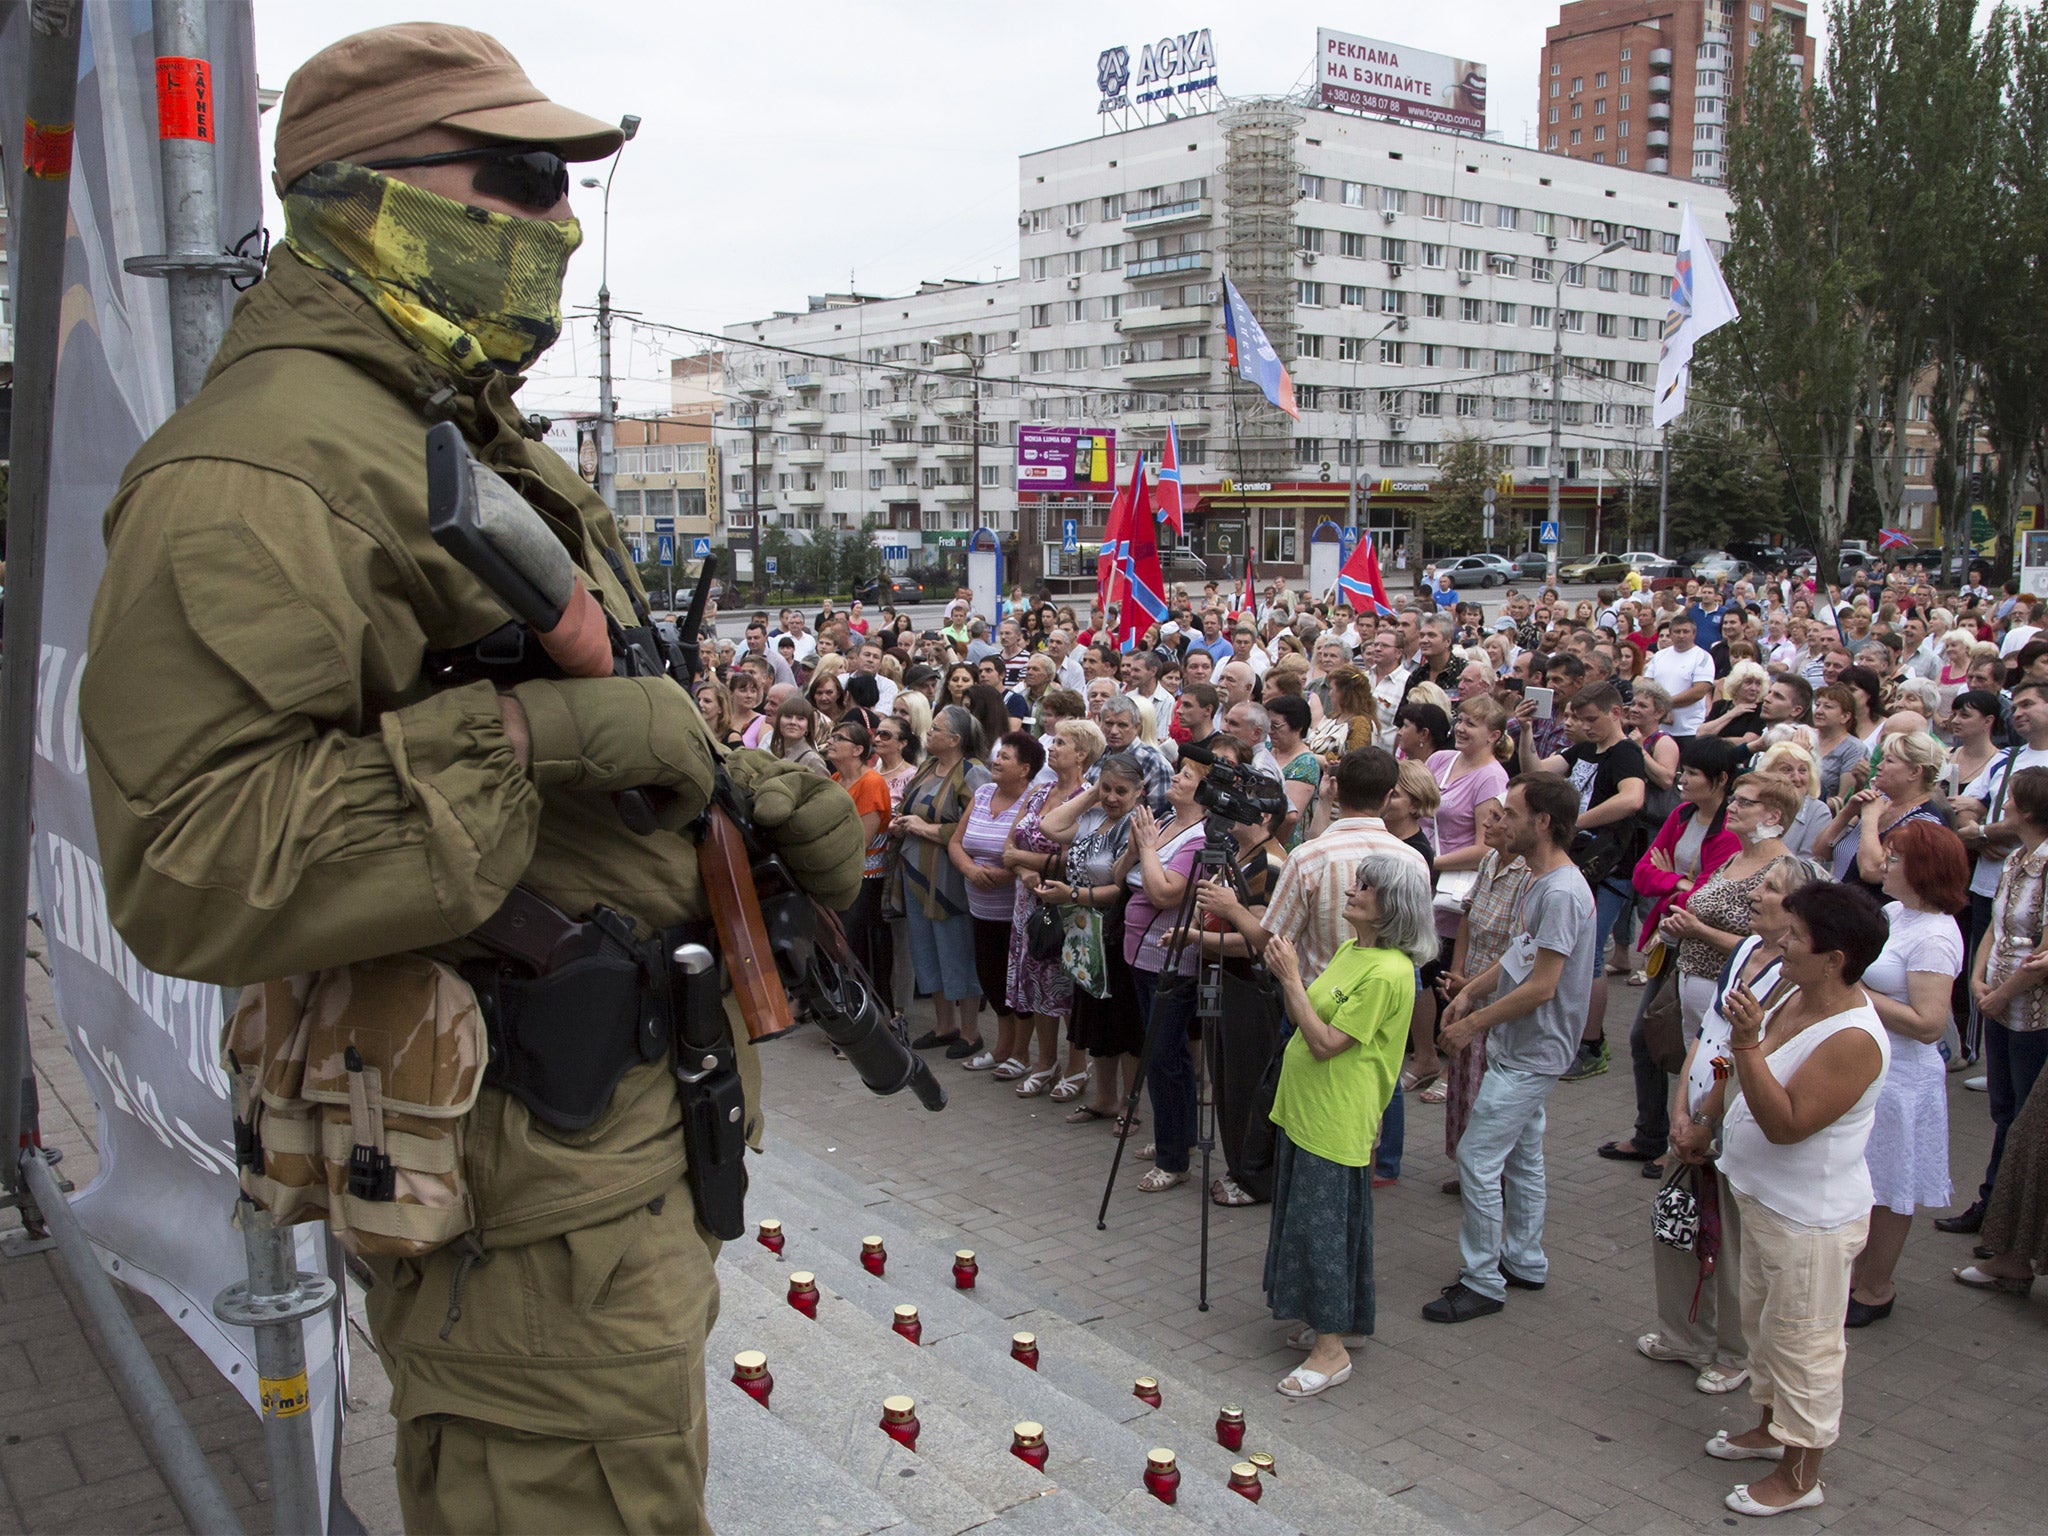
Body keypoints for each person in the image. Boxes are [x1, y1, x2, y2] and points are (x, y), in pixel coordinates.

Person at [77, 27, 867, 1528]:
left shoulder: (448, 429)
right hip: (520, 1197)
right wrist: (549, 742)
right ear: (364, 199)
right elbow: (192, 859)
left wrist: (729, 801)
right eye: (517, 178)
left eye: (566, 184)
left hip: (592, 1162)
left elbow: (572, 720)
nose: (561, 223)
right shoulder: (265, 474)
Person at [1708, 884, 1892, 1518]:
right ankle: (1769, 1430)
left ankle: (1801, 1475)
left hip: (1809, 1221)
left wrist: (1748, 1044)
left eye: (1794, 937)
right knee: (1764, 1328)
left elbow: (1788, 1123)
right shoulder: (1794, 989)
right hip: (1763, 1200)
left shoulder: (1854, 1038)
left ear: (1835, 959)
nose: (1778, 943)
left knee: (1805, 1345)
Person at [1646, 857, 1827, 1397]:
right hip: (1698, 1107)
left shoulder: (1791, 980)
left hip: (1731, 1116)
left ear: (1796, 908)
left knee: (1729, 1240)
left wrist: (1704, 1116)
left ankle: (1733, 1350)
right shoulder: (1745, 949)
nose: (1755, 893)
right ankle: (1682, 1333)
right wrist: (1680, 1107)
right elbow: (1707, 1033)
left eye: (1769, 888)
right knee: (1676, 1219)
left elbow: (1741, 1052)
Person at [1263, 855, 1439, 1398]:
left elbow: (1323, 1041)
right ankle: (1342, 1321)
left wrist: (1290, 977)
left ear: (1392, 909)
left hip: (1336, 1116)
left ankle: (1331, 1349)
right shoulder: (1352, 949)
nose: (1355, 890)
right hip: (1309, 1110)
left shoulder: (1389, 972)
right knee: (1323, 1222)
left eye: (1367, 887)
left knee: (1321, 1231)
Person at [1426, 774, 1596, 1323]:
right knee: (1522, 1155)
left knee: (1478, 1158)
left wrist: (1471, 1022)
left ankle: (1483, 1280)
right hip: (1523, 1045)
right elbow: (1525, 954)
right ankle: (1524, 1259)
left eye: (1512, 812)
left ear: (1542, 822)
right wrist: (1472, 989)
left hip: (1533, 1051)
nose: (1498, 821)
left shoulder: (1562, 891)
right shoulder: (1545, 883)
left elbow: (1543, 984)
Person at [1841, 822, 1968, 1327]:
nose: (1884, 866)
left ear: (1922, 871)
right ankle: (1855, 1274)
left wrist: (1857, 992)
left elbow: (1929, 1024)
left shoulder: (1936, 936)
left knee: (1892, 1186)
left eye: (1895, 859)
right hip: (1872, 1064)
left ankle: (1876, 1287)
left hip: (1905, 1079)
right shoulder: (1895, 913)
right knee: (1866, 1179)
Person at [1529, 684, 1647, 1083]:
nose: (1582, 726)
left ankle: (1592, 1044)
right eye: (1578, 719)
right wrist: (1527, 728)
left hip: (1609, 868)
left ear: (1616, 713)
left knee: (1592, 955)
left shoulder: (1626, 753)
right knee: (1578, 952)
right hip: (1580, 863)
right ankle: (1569, 1036)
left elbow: (1632, 799)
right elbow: (1538, 772)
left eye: (1591, 719)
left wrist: (1577, 821)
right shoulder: (1584, 750)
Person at [1950, 766, 2048, 1235]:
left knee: (2024, 1115)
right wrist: (1977, 978)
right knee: (2003, 1108)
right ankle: (1992, 1205)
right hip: (1998, 1000)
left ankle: (2006, 1219)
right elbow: (1997, 926)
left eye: (2010, 801)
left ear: (2028, 811)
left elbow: (2044, 954)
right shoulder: (2016, 859)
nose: (2002, 807)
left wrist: (1998, 996)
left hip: (2032, 1011)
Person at [1003, 719, 1103, 1109]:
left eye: (1061, 742)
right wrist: (1023, 870)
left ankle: (1077, 1066)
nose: (1053, 746)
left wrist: (1026, 861)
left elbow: (1074, 858)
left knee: (1066, 986)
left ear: (1082, 753)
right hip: (1027, 902)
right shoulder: (1039, 790)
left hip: (1064, 903)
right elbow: (1009, 844)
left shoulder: (1088, 798)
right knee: (1035, 981)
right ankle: (1045, 1062)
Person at [1434, 795, 1529, 1167]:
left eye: (1497, 818)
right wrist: (1459, 976)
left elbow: (1520, 952)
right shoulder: (1489, 861)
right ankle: (1467, 1165)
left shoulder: (1527, 875)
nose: (1486, 825)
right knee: (1463, 1081)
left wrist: (1474, 986)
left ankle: (1491, 1169)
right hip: (1470, 987)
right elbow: (1467, 918)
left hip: (1498, 996)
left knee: (1486, 1089)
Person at [897, 706, 991, 1060]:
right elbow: (913, 807)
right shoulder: (926, 766)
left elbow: (980, 828)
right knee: (925, 946)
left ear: (955, 739)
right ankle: (943, 1025)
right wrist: (903, 823)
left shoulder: (974, 773)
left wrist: (926, 829)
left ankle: (970, 1032)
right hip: (915, 870)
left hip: (949, 876)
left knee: (956, 947)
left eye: (935, 729)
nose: (928, 733)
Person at [951, 732, 1037, 1076]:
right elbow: (956, 842)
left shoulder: (1033, 800)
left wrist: (1005, 873)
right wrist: (971, 870)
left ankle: (1022, 1053)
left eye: (1005, 757)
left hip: (1014, 910)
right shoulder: (983, 792)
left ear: (1025, 769)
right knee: (991, 978)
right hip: (979, 906)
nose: (996, 761)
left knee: (1018, 983)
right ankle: (1002, 1047)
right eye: (996, 755)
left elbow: (1034, 852)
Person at [1814, 728, 1946, 893]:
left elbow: (1872, 870)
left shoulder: (1925, 821)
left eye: (1889, 761)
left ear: (1915, 772)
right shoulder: (1880, 802)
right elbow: (1820, 852)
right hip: (1840, 908)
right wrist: (1847, 813)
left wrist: (1870, 817)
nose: (1879, 766)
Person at [828, 720, 898, 1026]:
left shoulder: (871, 783)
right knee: (839, 948)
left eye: (838, 738)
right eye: (831, 736)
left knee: (859, 949)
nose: (830, 741)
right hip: (840, 877)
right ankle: (847, 1016)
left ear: (858, 750)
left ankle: (871, 1021)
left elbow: (861, 839)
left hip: (864, 880)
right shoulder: (835, 779)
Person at [1647, 616, 1718, 738]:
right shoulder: (1659, 656)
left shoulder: (1703, 657)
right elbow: (1647, 684)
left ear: (1694, 634)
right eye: (1677, 631)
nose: (1681, 635)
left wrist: (1665, 705)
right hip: (1659, 729)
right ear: (1670, 634)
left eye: (1686, 631)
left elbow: (1699, 691)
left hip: (1690, 730)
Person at [1266, 694, 1322, 850]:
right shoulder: (1268, 749)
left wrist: (1272, 847)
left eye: (1275, 726)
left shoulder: (1305, 764)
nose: (1270, 731)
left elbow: (1288, 817)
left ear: (1298, 727)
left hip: (1279, 844)